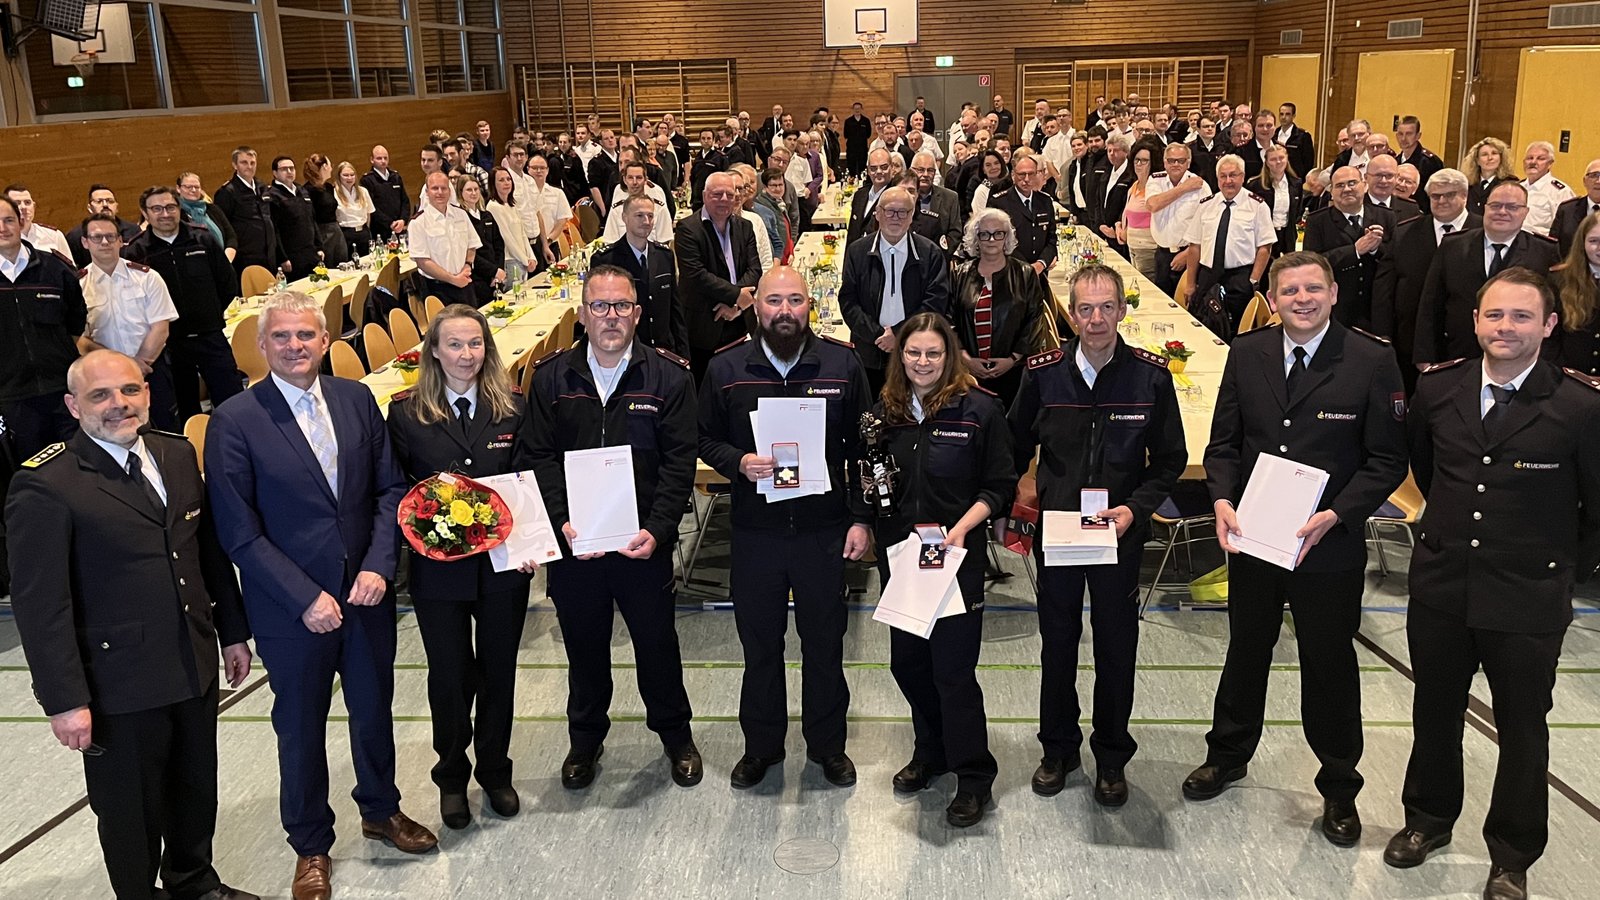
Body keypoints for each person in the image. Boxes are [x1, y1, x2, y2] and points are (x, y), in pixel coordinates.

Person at [205, 291, 436, 900]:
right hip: (290, 610)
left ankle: (381, 809)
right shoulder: (236, 420)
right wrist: (304, 596)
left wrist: (380, 566)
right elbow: (237, 531)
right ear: (261, 346)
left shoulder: (357, 398)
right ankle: (310, 845)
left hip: (364, 595)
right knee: (301, 727)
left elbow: (389, 491)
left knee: (372, 709)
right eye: (280, 337)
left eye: (305, 335)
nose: (295, 346)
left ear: (325, 339)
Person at [6, 349, 258, 900]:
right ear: (74, 406)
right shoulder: (46, 484)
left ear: (146, 393)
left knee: (195, 787)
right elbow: (40, 605)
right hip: (115, 682)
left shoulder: (173, 453)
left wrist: (233, 631)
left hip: (191, 659)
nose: (119, 404)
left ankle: (194, 882)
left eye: (130, 390)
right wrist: (64, 699)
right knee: (131, 811)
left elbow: (206, 553)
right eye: (101, 396)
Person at [1184, 251, 1408, 847]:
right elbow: (1225, 442)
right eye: (1289, 291)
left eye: (1313, 289)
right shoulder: (1247, 352)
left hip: (1327, 546)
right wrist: (1222, 499)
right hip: (1256, 539)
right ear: (1274, 297)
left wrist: (1339, 513)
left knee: (1328, 663)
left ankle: (1339, 783)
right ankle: (1228, 754)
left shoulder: (1371, 359)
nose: (1301, 299)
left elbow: (1387, 458)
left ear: (1334, 293)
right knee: (1246, 649)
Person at [1389, 267, 1600, 900]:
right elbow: (1427, 472)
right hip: (1443, 585)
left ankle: (1512, 853)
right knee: (1434, 712)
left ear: (1549, 325)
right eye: (1494, 316)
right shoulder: (1440, 388)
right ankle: (1428, 821)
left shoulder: (1580, 406)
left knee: (1523, 729)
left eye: (1521, 317)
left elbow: (1597, 510)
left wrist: (1561, 574)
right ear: (1477, 321)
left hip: (1528, 595)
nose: (1505, 328)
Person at [1010, 263, 1185, 808]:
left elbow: (1172, 460)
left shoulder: (1151, 377)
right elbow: (1013, 445)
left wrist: (1136, 509)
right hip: (1059, 535)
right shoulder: (1042, 374)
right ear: (1071, 312)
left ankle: (1111, 755)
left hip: (1119, 536)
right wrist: (1022, 495)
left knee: (1116, 648)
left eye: (1107, 306)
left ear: (1123, 310)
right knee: (1057, 645)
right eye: (1085, 308)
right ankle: (1057, 748)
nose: (1096, 319)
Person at [525, 265, 702, 790]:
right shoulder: (552, 377)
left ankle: (676, 736)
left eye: (621, 306)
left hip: (640, 545)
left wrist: (659, 529)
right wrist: (562, 522)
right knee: (583, 649)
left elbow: (679, 462)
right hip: (577, 548)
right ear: (581, 314)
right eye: (599, 306)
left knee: (658, 647)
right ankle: (585, 741)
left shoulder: (669, 375)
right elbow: (538, 457)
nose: (611, 316)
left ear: (638, 312)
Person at [697, 265, 872, 790]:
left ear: (809, 306)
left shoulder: (843, 364)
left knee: (825, 646)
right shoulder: (726, 369)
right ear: (756, 306)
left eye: (796, 300)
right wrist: (738, 461)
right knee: (760, 648)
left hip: (824, 531)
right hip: (756, 533)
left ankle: (827, 746)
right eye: (774, 301)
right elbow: (702, 438)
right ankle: (762, 747)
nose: (785, 311)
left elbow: (867, 451)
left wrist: (863, 518)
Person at [386, 304, 534, 829]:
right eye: (454, 344)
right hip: (439, 572)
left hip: (502, 567)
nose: (466, 355)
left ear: (487, 350)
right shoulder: (406, 413)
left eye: (475, 344)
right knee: (449, 677)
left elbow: (531, 481)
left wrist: (532, 545)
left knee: (499, 673)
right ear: (433, 351)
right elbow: (397, 493)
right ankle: (451, 776)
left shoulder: (513, 407)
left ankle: (495, 770)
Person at [870, 311, 1014, 827]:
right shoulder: (884, 412)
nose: (923, 362)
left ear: (948, 356)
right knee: (907, 665)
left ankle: (973, 775)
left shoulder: (978, 410)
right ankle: (930, 752)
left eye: (933, 353)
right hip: (903, 561)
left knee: (952, 672)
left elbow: (999, 485)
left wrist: (962, 530)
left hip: (955, 561)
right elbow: (871, 481)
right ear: (899, 356)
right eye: (913, 353)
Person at [125, 185, 244, 423]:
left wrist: (209, 312)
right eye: (156, 209)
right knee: (185, 409)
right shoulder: (137, 251)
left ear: (179, 208)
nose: (165, 214)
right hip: (170, 344)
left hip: (209, 334)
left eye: (170, 207)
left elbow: (227, 282)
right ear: (145, 213)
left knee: (231, 400)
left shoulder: (202, 239)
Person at [1414, 181, 1561, 366]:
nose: (1502, 212)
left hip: (1518, 359)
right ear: (1485, 208)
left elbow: (1551, 310)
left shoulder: (1544, 252)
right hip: (1457, 354)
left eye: (1512, 207)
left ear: (1525, 212)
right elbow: (1430, 303)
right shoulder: (1453, 246)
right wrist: (1424, 356)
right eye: (1496, 205)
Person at [1371, 168, 1480, 394]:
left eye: (1449, 195)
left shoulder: (1483, 231)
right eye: (1435, 196)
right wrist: (1382, 336)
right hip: (1410, 344)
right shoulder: (1406, 233)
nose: (1441, 201)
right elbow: (1385, 288)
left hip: (1469, 343)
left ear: (1464, 196)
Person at [837, 186, 952, 395]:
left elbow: (935, 303)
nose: (895, 218)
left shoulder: (930, 253)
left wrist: (899, 334)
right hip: (869, 352)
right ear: (878, 214)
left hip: (917, 357)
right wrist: (878, 335)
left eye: (903, 212)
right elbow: (848, 301)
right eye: (890, 211)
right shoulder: (857, 251)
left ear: (911, 216)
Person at [0, 195, 87, 456]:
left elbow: (76, 320)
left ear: (22, 221)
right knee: (32, 470)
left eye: (8, 220)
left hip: (63, 390)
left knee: (79, 460)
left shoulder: (54, 268)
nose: (3, 228)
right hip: (13, 396)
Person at [76, 213, 180, 430]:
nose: (105, 242)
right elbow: (80, 339)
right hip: (103, 378)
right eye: (97, 237)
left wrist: (138, 365)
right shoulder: (78, 286)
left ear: (120, 240)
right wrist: (121, 365)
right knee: (117, 433)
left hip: (150, 370)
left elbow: (161, 327)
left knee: (165, 432)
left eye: (110, 236)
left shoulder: (147, 278)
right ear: (85, 242)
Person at [951, 208, 1052, 407]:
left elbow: (1034, 320)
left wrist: (1012, 359)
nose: (991, 239)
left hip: (1015, 372)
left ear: (1007, 238)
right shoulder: (960, 274)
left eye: (998, 233)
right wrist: (965, 358)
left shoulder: (1025, 274)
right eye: (984, 234)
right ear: (975, 238)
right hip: (967, 372)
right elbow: (949, 319)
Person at [675, 170, 761, 381]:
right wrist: (736, 296)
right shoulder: (688, 229)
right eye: (717, 194)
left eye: (730, 195)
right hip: (704, 326)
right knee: (706, 391)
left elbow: (755, 270)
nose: (724, 199)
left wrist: (736, 306)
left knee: (741, 385)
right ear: (705, 196)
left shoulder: (745, 226)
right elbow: (696, 275)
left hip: (741, 322)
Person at [1178, 155, 1276, 326]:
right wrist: (1190, 283)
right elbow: (1195, 246)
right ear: (1217, 179)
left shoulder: (1257, 206)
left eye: (1233, 175)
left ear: (1243, 177)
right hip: (1208, 276)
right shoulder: (1206, 205)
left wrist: (1253, 281)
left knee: (1236, 328)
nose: (1228, 181)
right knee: (1201, 326)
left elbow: (1265, 247)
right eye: (1223, 176)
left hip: (1239, 279)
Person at [1303, 166, 1397, 331]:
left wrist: (1375, 248)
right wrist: (1354, 251)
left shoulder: (1386, 216)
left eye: (1352, 183)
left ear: (1365, 185)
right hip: (1336, 310)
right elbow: (1312, 265)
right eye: (1339, 185)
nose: (1347, 189)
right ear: (1331, 192)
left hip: (1376, 309)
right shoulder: (1317, 221)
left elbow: (1396, 261)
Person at [594, 195, 686, 356]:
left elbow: (675, 308)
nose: (646, 221)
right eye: (639, 216)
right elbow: (598, 314)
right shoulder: (606, 260)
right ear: (624, 218)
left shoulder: (665, 256)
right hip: (625, 353)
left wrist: (683, 353)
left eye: (650, 216)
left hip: (662, 350)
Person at [1146, 141, 1213, 296]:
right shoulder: (1156, 180)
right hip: (1162, 254)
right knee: (1161, 302)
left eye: (1181, 160)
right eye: (1171, 160)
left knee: (1186, 303)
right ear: (1164, 162)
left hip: (1189, 254)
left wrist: (1188, 253)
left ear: (1188, 162)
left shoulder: (1200, 186)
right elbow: (1153, 205)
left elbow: (1209, 226)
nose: (1175, 164)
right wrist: (1183, 188)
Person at [409, 171, 481, 305]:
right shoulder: (418, 222)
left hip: (465, 284)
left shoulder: (461, 215)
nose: (440, 192)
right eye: (435, 188)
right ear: (427, 192)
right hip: (437, 289)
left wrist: (467, 265)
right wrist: (453, 279)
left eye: (444, 188)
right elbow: (422, 261)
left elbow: (472, 245)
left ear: (449, 190)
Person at [1542, 211, 1600, 374]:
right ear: (1582, 243)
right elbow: (1549, 339)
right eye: (1594, 241)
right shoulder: (1559, 280)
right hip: (1568, 377)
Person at [987, 150, 1059, 274]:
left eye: (1031, 174)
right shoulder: (999, 202)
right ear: (1013, 175)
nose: (1026, 179)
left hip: (1040, 272)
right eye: (1022, 174)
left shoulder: (1045, 201)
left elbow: (1051, 239)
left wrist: (1041, 263)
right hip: (1010, 272)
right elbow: (998, 242)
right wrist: (1027, 268)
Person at [212, 147, 279, 273]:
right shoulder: (227, 192)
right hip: (245, 257)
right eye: (244, 162)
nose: (249, 166)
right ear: (235, 165)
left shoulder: (262, 187)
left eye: (252, 163)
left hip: (269, 254)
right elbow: (224, 228)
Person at [1247, 143, 1305, 258]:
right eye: (1273, 159)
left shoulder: (1296, 183)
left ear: (1287, 159)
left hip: (1288, 235)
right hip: (1265, 235)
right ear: (1267, 162)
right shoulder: (1255, 186)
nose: (1278, 162)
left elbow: (1298, 210)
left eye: (1281, 158)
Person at [455, 176, 505, 306]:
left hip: (495, 277)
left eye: (476, 189)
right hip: (477, 277)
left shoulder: (487, 215)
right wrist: (492, 271)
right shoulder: (461, 218)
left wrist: (498, 271)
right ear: (461, 193)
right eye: (469, 190)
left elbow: (499, 244)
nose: (473, 193)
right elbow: (470, 252)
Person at [65, 185, 144, 267]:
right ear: (89, 208)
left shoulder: (133, 231)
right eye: (99, 201)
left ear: (117, 207)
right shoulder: (75, 236)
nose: (105, 205)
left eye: (110, 201)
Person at [267, 156, 319, 278]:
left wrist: (319, 246)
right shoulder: (272, 196)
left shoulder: (302, 191)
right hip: (291, 257)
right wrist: (282, 258)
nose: (289, 172)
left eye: (292, 168)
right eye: (284, 169)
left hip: (310, 253)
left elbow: (312, 220)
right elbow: (274, 230)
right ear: (275, 173)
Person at [485, 166, 537, 285]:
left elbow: (523, 234)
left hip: (523, 259)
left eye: (508, 179)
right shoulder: (493, 207)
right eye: (501, 180)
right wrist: (525, 260)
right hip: (510, 260)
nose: (506, 183)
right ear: (493, 184)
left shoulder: (511, 205)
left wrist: (531, 257)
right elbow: (506, 237)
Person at [1116, 140, 1160, 278]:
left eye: (1144, 161)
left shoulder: (1155, 187)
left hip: (1148, 248)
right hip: (1132, 245)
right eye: (1137, 160)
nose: (1139, 164)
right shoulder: (1134, 185)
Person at [175, 172, 238, 263]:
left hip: (224, 263)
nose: (193, 190)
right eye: (188, 187)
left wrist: (226, 260)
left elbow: (231, 237)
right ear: (178, 188)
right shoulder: (176, 214)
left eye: (197, 187)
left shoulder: (213, 209)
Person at [3, 184, 74, 259]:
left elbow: (70, 269)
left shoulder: (54, 236)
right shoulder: (2, 239)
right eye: (17, 203)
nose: (23, 207)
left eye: (27, 202)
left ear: (34, 207)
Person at [1521, 141, 1576, 238]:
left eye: (1540, 159)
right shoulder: (1517, 187)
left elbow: (1567, 229)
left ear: (1550, 164)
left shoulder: (1560, 191)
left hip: (1540, 246)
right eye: (1529, 158)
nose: (1533, 162)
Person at [300, 154, 347, 267]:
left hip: (335, 230)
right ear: (325, 166)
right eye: (331, 165)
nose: (331, 168)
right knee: (327, 265)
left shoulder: (329, 187)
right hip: (322, 233)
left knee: (342, 262)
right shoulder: (308, 190)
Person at [1551, 158, 1600, 257]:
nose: (1598, 181)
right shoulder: (1567, 210)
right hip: (1570, 269)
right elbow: (1553, 246)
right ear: (1584, 181)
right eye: (1594, 175)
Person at [361, 145, 411, 240]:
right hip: (380, 229)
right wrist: (390, 223)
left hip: (399, 227)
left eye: (385, 158)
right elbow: (371, 207)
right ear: (372, 160)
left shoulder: (395, 176)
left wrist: (403, 220)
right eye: (379, 158)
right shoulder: (367, 180)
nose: (383, 161)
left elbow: (405, 201)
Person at [1463, 137, 1518, 216]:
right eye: (1484, 154)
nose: (1490, 158)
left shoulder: (1510, 183)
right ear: (1477, 160)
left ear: (1501, 158)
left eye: (1494, 153)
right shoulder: (1467, 184)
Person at [332, 161, 375, 259]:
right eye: (345, 175)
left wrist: (366, 230)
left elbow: (368, 214)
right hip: (346, 234)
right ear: (339, 176)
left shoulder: (363, 191)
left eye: (352, 175)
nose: (349, 178)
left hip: (363, 233)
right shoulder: (334, 193)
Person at [1275, 102, 1317, 185]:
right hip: (1275, 178)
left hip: (1295, 181)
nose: (1283, 117)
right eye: (1281, 114)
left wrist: (1301, 180)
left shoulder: (1303, 136)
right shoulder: (1273, 135)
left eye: (1287, 114)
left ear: (1293, 116)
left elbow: (1308, 162)